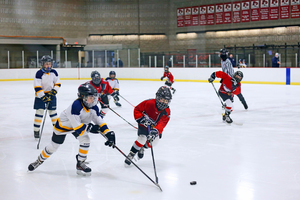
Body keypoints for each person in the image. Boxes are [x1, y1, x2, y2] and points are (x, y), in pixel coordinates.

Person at [28, 83, 116, 176]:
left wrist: (108, 133)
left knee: (85, 140)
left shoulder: (93, 107)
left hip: (78, 125)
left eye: (94, 97)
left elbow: (99, 121)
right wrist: (91, 128)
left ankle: (80, 163)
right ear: (82, 97)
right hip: (63, 127)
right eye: (90, 97)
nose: (93, 100)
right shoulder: (75, 107)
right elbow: (78, 128)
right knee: (53, 147)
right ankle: (39, 160)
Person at [124, 86, 172, 166]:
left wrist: (155, 131)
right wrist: (141, 119)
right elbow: (137, 109)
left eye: (166, 101)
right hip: (144, 125)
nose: (164, 103)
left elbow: (162, 123)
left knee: (153, 142)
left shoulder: (166, 111)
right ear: (157, 98)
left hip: (155, 129)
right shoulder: (149, 103)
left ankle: (142, 148)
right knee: (142, 139)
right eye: (162, 100)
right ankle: (132, 154)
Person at [33, 55, 61, 139]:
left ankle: (57, 130)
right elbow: (37, 87)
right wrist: (42, 96)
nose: (48, 66)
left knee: (53, 113)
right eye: (46, 64)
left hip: (51, 95)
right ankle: (36, 130)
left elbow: (58, 83)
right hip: (40, 96)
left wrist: (54, 91)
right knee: (39, 113)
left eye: (49, 64)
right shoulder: (39, 73)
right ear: (42, 64)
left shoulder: (54, 72)